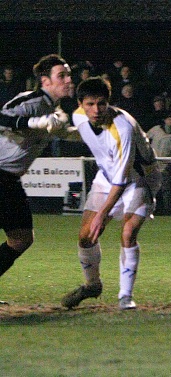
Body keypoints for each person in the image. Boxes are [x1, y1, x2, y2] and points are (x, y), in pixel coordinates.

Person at [61, 76, 161, 310]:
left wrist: (101, 214)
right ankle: (92, 285)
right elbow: (84, 135)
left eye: (101, 103)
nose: (96, 110)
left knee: (128, 232)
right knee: (86, 237)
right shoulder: (78, 117)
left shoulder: (123, 127)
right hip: (106, 177)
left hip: (138, 179)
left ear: (109, 102)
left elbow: (123, 178)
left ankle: (125, 296)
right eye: (90, 104)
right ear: (80, 104)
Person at [0, 54, 73, 293]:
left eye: (68, 75)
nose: (68, 80)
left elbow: (60, 131)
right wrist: (34, 123)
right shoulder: (33, 101)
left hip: (8, 179)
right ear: (45, 81)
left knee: (21, 238)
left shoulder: (53, 111)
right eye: (61, 76)